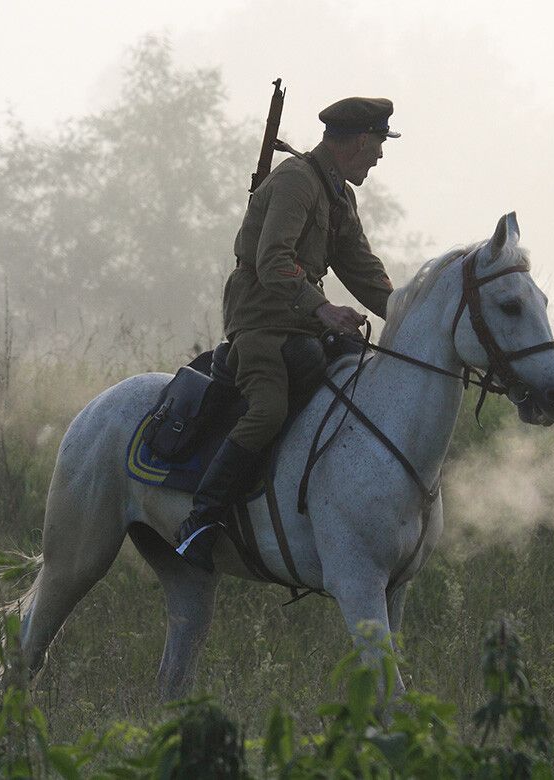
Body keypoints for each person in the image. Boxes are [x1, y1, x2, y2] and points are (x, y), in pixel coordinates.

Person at [174, 96, 400, 570]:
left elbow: (359, 267)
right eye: (379, 143)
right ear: (360, 140)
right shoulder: (297, 181)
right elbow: (273, 261)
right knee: (269, 409)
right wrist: (323, 309)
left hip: (300, 320)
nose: (380, 154)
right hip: (261, 321)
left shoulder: (339, 192)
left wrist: (405, 312)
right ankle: (200, 520)